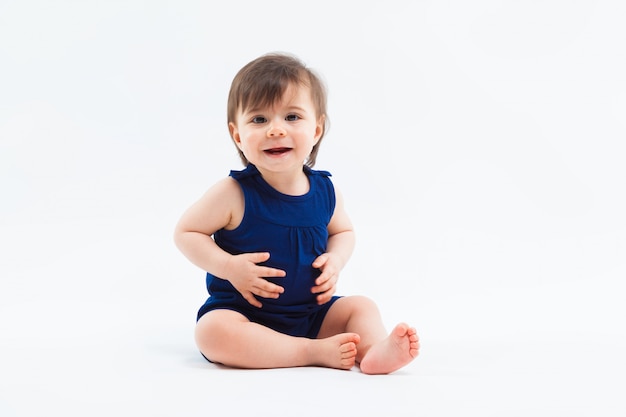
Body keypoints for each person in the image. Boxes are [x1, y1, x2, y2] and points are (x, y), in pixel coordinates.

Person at [174, 52, 419, 374]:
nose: (275, 130)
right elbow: (186, 233)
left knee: (360, 306)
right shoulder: (233, 194)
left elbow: (343, 232)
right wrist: (229, 266)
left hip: (312, 313)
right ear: (237, 135)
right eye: (259, 120)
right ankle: (309, 351)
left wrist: (336, 260)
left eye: (292, 117)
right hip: (246, 313)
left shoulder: (326, 192)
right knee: (212, 332)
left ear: (316, 130)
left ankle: (373, 351)